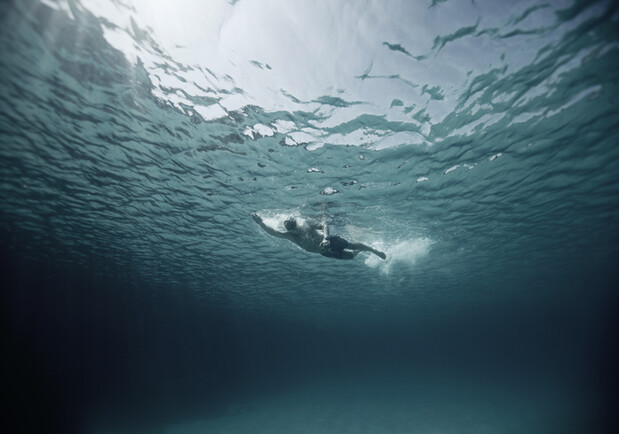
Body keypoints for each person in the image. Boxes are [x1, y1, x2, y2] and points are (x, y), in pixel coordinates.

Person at [251, 213, 386, 260]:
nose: (296, 231)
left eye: (295, 227)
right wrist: (261, 223)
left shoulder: (306, 225)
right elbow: (274, 233)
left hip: (329, 241)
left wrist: (326, 237)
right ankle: (362, 250)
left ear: (297, 224)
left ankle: (375, 251)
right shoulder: (291, 236)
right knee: (350, 256)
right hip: (323, 252)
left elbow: (324, 225)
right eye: (293, 229)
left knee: (352, 245)